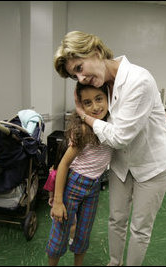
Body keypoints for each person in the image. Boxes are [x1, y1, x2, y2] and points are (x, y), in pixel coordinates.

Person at [54, 31, 166, 266]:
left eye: (79, 67)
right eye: (74, 75)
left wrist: (83, 115)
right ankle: (114, 262)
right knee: (116, 219)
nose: (80, 79)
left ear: (96, 52)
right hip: (121, 164)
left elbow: (119, 137)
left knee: (140, 228)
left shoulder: (138, 79)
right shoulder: (101, 84)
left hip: (152, 165)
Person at [46, 83, 113, 266]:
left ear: (108, 97)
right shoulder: (85, 130)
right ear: (81, 107)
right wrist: (58, 202)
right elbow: (64, 164)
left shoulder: (113, 124)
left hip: (94, 187)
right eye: (87, 102)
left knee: (83, 234)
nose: (95, 107)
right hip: (74, 184)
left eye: (99, 98)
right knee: (60, 232)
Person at [43, 138, 76, 245]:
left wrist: (51, 197)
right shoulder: (77, 173)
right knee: (73, 223)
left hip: (57, 203)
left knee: (57, 222)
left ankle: (59, 239)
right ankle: (71, 240)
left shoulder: (54, 173)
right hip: (72, 202)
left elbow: (51, 188)